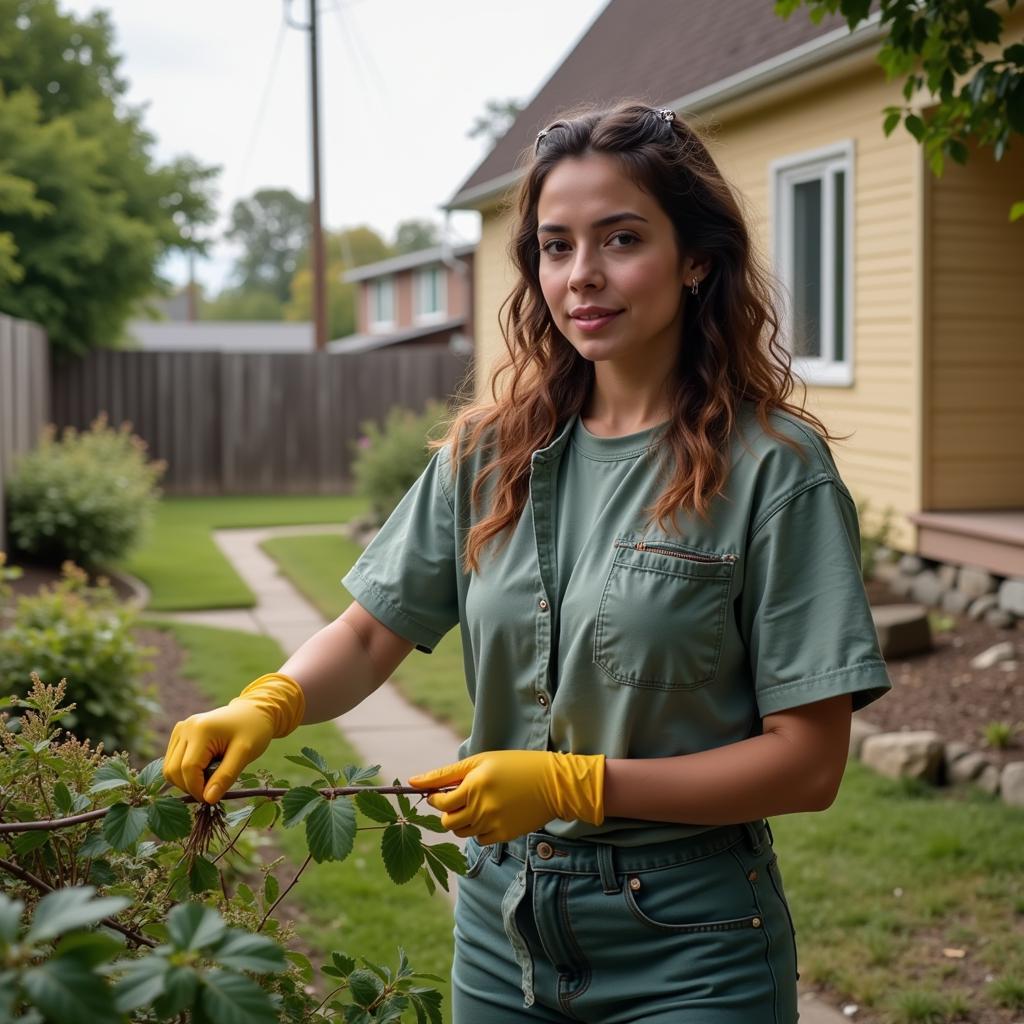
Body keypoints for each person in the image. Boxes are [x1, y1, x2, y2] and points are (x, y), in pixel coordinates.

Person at [163, 99, 893, 1023]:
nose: (583, 275)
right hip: (503, 935)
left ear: (697, 258)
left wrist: (574, 784)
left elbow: (808, 765)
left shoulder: (773, 471)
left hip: (692, 947)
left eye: (621, 238)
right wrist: (266, 703)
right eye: (556, 246)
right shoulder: (489, 453)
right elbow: (368, 631)